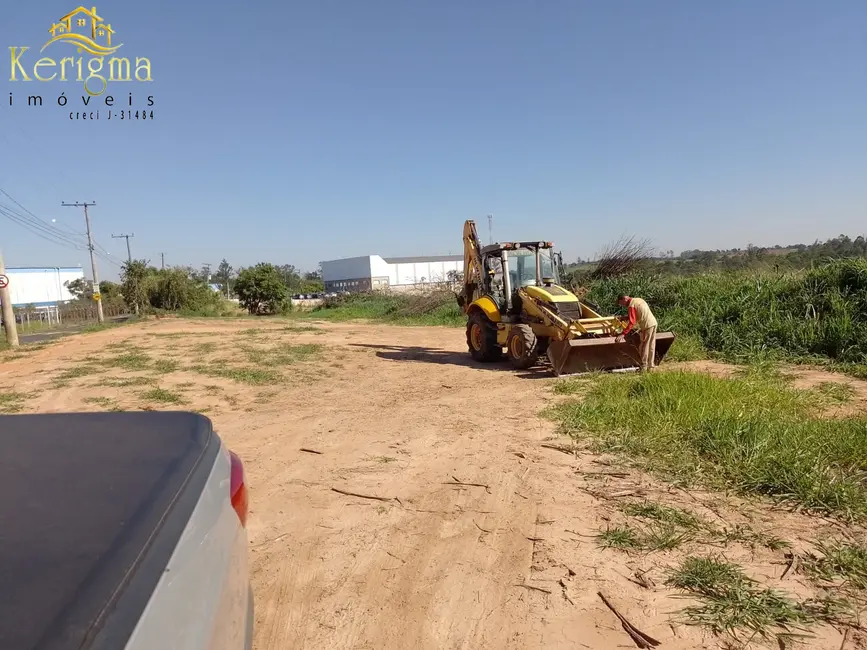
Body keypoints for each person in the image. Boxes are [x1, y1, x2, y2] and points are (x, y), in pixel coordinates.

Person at [616, 294, 658, 372]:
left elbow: (632, 322)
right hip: (653, 323)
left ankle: (643, 367)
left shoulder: (631, 305)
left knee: (644, 346)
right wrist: (625, 317)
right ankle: (651, 367)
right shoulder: (638, 300)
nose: (623, 305)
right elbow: (639, 313)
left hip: (646, 326)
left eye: (621, 303)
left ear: (624, 299)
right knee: (651, 345)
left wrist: (623, 333)